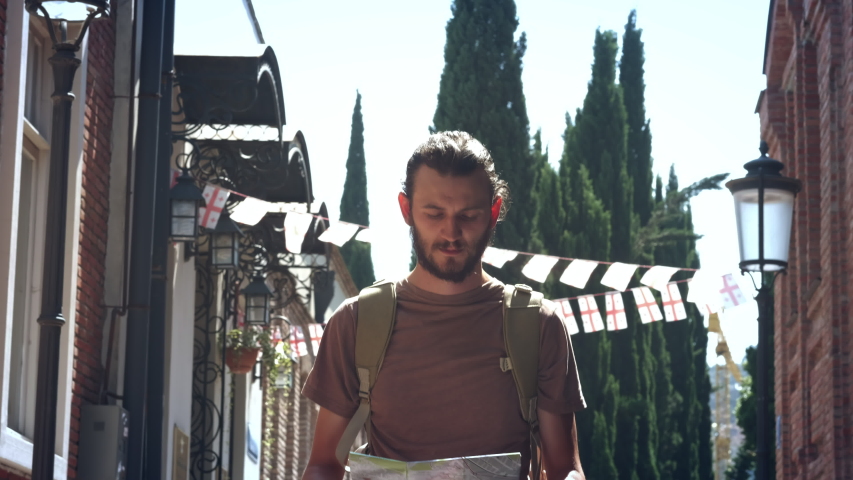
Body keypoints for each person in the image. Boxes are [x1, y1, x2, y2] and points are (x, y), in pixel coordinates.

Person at [301, 131, 586, 480]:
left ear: (494, 212)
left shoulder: (537, 325)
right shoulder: (357, 323)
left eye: (468, 215)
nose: (451, 232)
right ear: (406, 209)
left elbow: (564, 469)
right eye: (434, 214)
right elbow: (323, 466)